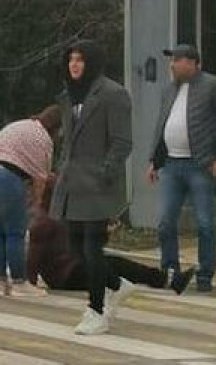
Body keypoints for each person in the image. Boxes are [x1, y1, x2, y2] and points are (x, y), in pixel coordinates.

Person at [49, 40, 133, 335]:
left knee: (92, 250)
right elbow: (68, 143)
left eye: (81, 60)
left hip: (99, 186)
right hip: (72, 185)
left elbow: (122, 141)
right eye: (71, 59)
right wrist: (61, 171)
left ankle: (96, 311)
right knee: (77, 251)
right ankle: (117, 285)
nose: (74, 65)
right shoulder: (68, 96)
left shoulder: (113, 93)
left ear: (93, 63)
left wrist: (104, 173)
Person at [27, 182, 197, 295]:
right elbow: (33, 258)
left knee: (116, 264)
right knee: (115, 266)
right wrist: (30, 285)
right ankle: (165, 280)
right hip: (66, 276)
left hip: (74, 267)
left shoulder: (63, 215)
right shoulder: (44, 223)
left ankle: (166, 280)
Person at [147, 44, 216, 293]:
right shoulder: (169, 89)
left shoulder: (210, 85)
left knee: (205, 223)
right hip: (171, 165)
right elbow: (161, 124)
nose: (172, 65)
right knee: (165, 221)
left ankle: (205, 274)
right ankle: (170, 269)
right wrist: (154, 160)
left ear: (192, 62)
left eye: (176, 60)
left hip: (201, 165)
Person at [0, 105, 61, 297]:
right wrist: (36, 204)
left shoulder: (20, 125)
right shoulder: (43, 139)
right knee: (15, 232)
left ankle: (0, 283)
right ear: (57, 128)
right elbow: (41, 178)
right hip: (5, 178)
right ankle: (20, 283)